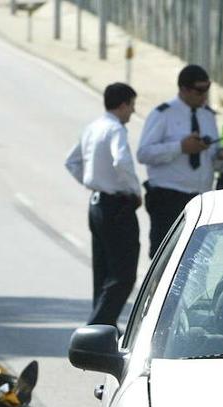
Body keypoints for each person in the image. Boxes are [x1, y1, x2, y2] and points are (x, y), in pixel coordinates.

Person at [64, 82, 143, 327]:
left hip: (97, 204)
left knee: (103, 271)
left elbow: (72, 162)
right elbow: (121, 161)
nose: (132, 111)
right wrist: (134, 191)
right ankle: (97, 325)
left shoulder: (93, 128)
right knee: (123, 274)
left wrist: (93, 182)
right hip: (116, 205)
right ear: (122, 105)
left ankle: (103, 327)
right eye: (131, 105)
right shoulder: (115, 130)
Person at [137, 64, 219, 255]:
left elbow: (213, 155)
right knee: (165, 257)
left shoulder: (208, 116)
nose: (204, 95)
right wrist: (180, 147)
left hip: (200, 197)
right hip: (169, 197)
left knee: (199, 258)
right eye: (199, 90)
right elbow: (144, 153)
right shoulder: (163, 114)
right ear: (183, 89)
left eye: (207, 89)